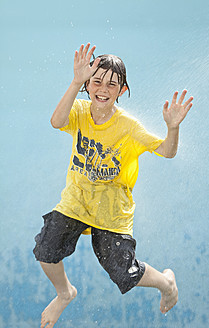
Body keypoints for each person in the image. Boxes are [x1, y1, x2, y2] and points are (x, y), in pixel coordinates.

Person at [33, 42, 193, 328]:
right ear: (88, 85)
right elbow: (56, 121)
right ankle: (64, 293)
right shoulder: (80, 111)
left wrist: (173, 128)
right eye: (96, 81)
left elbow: (167, 152)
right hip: (76, 202)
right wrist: (75, 81)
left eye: (112, 84)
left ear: (122, 91)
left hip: (112, 212)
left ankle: (166, 282)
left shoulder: (129, 127)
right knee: (46, 247)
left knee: (124, 271)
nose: (103, 89)